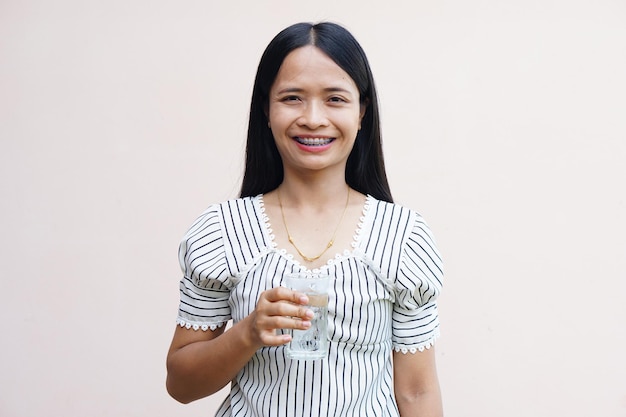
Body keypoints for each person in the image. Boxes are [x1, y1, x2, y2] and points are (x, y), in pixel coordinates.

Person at [166, 21, 444, 417]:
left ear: (362, 112)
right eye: (292, 98)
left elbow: (417, 393)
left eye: (335, 99)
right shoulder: (221, 232)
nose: (313, 118)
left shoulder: (403, 237)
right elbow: (180, 385)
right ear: (266, 109)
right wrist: (248, 332)